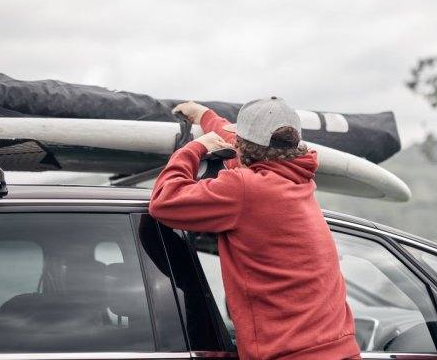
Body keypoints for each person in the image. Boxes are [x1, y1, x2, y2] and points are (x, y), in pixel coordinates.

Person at [149, 97, 361, 360]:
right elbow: (238, 143)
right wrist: (204, 115)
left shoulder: (245, 189)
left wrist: (193, 149)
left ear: (242, 145)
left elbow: (164, 201)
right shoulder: (298, 177)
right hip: (342, 350)